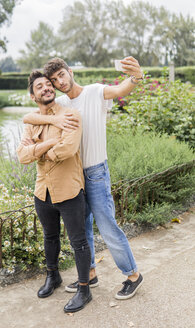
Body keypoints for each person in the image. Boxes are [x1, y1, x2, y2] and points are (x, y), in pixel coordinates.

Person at [23, 57, 144, 300]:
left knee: (107, 226)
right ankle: (89, 273)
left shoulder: (94, 91)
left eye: (61, 75)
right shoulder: (62, 103)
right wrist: (53, 119)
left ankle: (132, 275)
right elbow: (29, 116)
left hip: (96, 172)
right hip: (74, 176)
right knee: (83, 228)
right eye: (54, 80)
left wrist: (136, 77)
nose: (59, 82)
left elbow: (121, 89)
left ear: (70, 71)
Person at [17, 70, 92, 313]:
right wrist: (49, 143)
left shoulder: (71, 115)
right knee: (50, 238)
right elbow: (22, 156)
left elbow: (67, 150)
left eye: (49, 84)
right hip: (43, 192)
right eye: (40, 86)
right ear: (32, 96)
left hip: (69, 190)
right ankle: (53, 276)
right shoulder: (32, 122)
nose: (47, 88)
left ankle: (84, 289)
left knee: (78, 242)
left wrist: (38, 150)